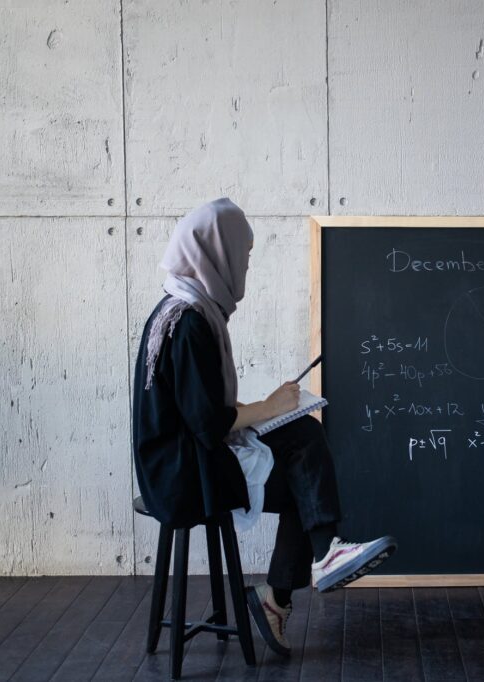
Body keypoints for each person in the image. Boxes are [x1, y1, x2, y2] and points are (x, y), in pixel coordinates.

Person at [132, 198, 397, 656]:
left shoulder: (177, 307)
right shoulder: (191, 322)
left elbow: (195, 409)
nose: (246, 266)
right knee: (304, 470)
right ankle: (299, 578)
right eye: (244, 255)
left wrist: (271, 411)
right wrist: (268, 405)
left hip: (177, 462)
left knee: (304, 443)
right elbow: (208, 422)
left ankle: (303, 576)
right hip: (183, 478)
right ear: (217, 252)